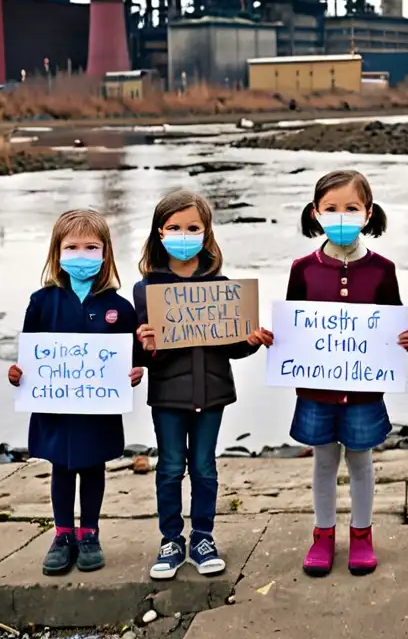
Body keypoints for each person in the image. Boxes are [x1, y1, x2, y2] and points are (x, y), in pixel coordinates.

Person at [247, 170, 408, 578]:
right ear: (316, 213)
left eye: (351, 208)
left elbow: (390, 326)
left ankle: (362, 535)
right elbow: (295, 326)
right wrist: (275, 339)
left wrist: (403, 340)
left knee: (361, 460)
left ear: (368, 212)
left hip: (364, 390)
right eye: (332, 208)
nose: (342, 215)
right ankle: (323, 536)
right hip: (317, 389)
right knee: (323, 460)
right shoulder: (303, 268)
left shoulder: (383, 269)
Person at [134, 189, 264, 580]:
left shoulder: (222, 287)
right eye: (175, 227)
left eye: (193, 227)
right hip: (168, 397)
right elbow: (140, 356)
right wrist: (146, 346)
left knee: (205, 467)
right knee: (170, 467)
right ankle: (171, 540)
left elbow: (233, 347)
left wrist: (251, 342)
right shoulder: (145, 290)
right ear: (160, 233)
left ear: (206, 234)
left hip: (213, 393)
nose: (184, 234)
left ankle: (203, 536)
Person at [8, 210, 143, 576]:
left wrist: (134, 373)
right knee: (62, 468)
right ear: (57, 251)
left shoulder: (120, 307)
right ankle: (63, 534)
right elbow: (28, 357)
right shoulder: (41, 302)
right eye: (72, 247)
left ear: (105, 253)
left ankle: (90, 533)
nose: (81, 254)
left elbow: (133, 358)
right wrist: (17, 374)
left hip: (97, 409)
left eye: (91, 247)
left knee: (94, 467)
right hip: (55, 408)